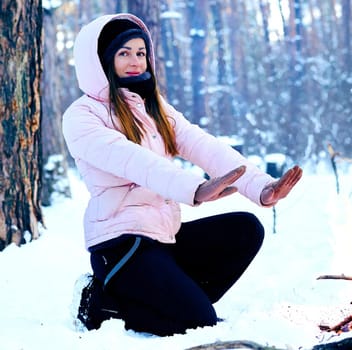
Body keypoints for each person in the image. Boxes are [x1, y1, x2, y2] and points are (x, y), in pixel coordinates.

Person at [62, 13, 302, 337]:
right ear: (101, 60)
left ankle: (179, 303)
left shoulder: (151, 106)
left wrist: (260, 187)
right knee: (200, 323)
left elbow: (202, 145)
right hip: (121, 247)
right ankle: (104, 305)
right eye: (123, 53)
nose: (135, 61)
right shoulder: (82, 117)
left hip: (165, 237)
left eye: (140, 52)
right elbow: (137, 162)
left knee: (245, 229)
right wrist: (195, 189)